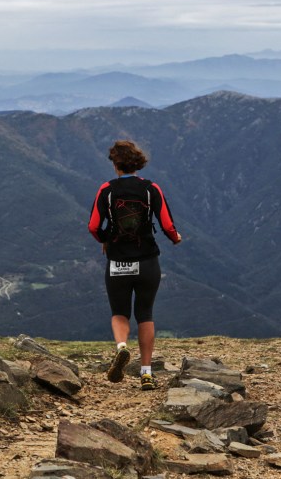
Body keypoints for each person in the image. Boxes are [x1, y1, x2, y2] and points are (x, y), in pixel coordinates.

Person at [88, 140, 182, 390]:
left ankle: (121, 348)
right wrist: (175, 238)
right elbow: (167, 224)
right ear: (137, 163)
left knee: (120, 313)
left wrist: (105, 240)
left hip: (118, 261)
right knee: (145, 315)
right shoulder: (152, 189)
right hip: (147, 261)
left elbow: (93, 226)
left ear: (115, 164)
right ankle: (147, 373)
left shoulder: (106, 190)